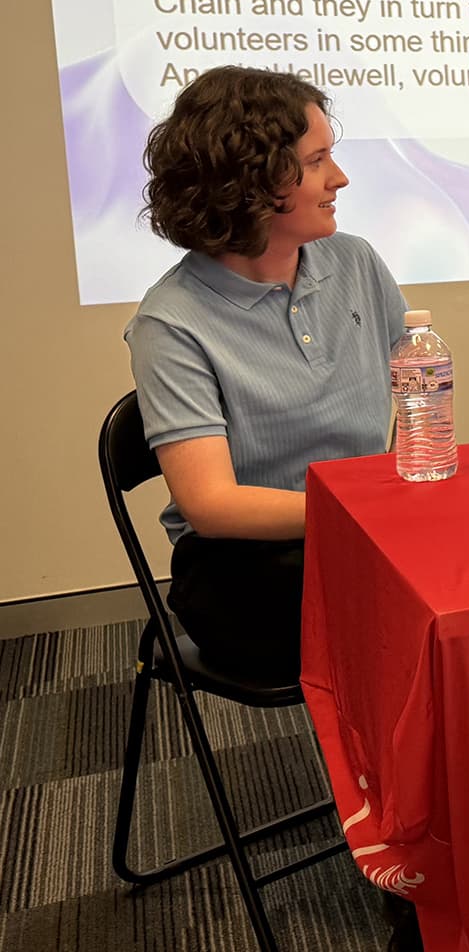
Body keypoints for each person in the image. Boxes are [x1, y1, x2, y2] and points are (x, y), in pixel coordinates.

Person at [126, 66, 407, 685]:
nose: (339, 179)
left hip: (364, 540)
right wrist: (368, 512)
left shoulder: (354, 262)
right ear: (246, 181)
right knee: (421, 629)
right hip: (249, 574)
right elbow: (213, 507)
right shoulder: (172, 323)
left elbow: (418, 391)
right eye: (316, 162)